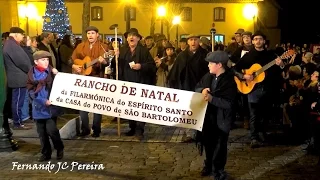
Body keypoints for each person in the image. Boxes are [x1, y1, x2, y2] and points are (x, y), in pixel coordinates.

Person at [195, 51, 237, 179]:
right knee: (208, 143)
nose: (208, 65)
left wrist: (212, 99)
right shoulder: (208, 76)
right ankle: (208, 166)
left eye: (211, 63)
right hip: (208, 118)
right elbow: (197, 87)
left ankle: (218, 170)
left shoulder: (229, 82)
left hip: (221, 120)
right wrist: (202, 90)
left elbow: (229, 103)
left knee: (219, 146)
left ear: (219, 65)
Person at [114, 28, 156, 138]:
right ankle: (132, 127)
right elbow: (116, 66)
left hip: (141, 83)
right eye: (129, 36)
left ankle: (139, 129)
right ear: (127, 39)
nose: (131, 37)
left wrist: (141, 66)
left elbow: (152, 66)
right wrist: (116, 57)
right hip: (127, 84)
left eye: (134, 35)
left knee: (140, 107)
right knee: (129, 107)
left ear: (138, 38)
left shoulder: (144, 51)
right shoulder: (123, 51)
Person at [26, 51, 64, 162]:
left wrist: (57, 74)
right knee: (42, 133)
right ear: (36, 61)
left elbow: (62, 84)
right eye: (43, 60)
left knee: (52, 131)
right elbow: (31, 92)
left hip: (51, 108)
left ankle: (59, 148)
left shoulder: (51, 72)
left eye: (47, 59)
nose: (46, 62)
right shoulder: (31, 75)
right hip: (39, 107)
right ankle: (46, 153)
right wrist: (43, 101)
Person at [71, 26, 109, 137]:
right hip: (83, 79)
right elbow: (71, 59)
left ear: (97, 34)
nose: (90, 35)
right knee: (83, 105)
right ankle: (85, 129)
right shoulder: (80, 46)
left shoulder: (104, 47)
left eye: (93, 33)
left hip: (97, 78)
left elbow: (109, 63)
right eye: (88, 33)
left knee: (97, 104)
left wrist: (104, 61)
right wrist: (74, 66)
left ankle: (96, 129)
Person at [3, 27, 32, 129]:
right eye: (21, 35)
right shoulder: (12, 45)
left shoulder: (11, 44)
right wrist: (30, 70)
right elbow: (22, 62)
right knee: (18, 102)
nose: (23, 37)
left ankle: (18, 122)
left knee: (17, 101)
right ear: (15, 35)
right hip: (18, 79)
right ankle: (17, 123)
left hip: (17, 78)